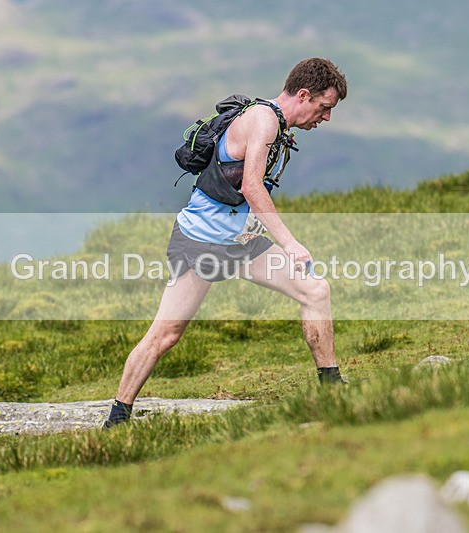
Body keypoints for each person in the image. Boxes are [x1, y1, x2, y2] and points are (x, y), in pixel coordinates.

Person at [104, 58, 348, 428]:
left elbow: (245, 188)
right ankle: (117, 417)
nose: (326, 117)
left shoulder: (276, 124)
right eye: (324, 107)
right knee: (166, 335)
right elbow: (250, 186)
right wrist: (290, 243)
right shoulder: (264, 121)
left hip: (240, 242)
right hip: (200, 243)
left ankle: (332, 389)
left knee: (315, 290)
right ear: (303, 95)